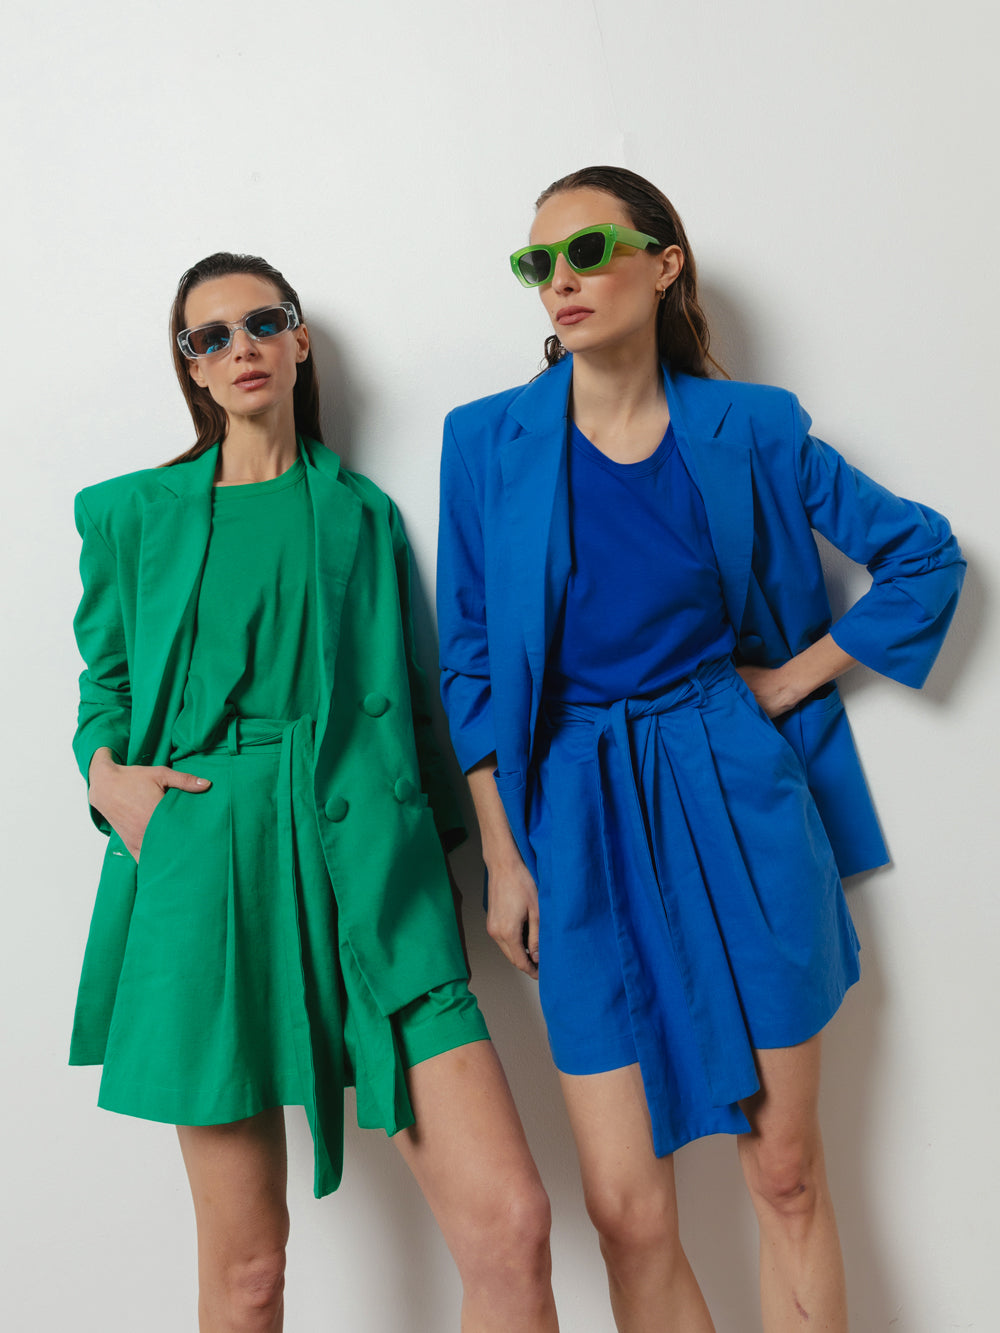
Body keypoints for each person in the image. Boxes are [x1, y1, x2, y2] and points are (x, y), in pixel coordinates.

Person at [436, 166, 964, 1331]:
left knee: (786, 1172)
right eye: (537, 263)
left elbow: (924, 555)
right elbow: (467, 660)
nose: (560, 279)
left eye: (587, 250)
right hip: (573, 816)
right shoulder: (484, 442)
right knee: (627, 1213)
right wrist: (504, 857)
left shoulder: (751, 428)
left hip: (733, 791)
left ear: (663, 264)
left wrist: (791, 676)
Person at [70, 252, 558, 1333]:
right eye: (210, 337)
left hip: (369, 865)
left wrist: (486, 861)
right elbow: (106, 683)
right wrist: (107, 779)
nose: (240, 347)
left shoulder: (363, 515)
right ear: (193, 370)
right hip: (206, 869)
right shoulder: (132, 515)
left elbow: (422, 710)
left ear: (298, 341)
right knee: (248, 1273)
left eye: (262, 322)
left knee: (512, 1226)